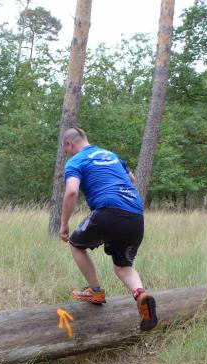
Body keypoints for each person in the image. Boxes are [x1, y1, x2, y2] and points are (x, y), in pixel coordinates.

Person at [58, 127, 158, 331]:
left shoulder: (76, 161)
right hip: (135, 215)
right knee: (123, 267)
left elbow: (71, 191)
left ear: (69, 144)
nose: (66, 154)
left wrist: (64, 223)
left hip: (108, 210)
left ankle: (95, 291)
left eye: (65, 150)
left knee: (76, 244)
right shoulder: (110, 155)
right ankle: (141, 295)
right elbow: (131, 179)